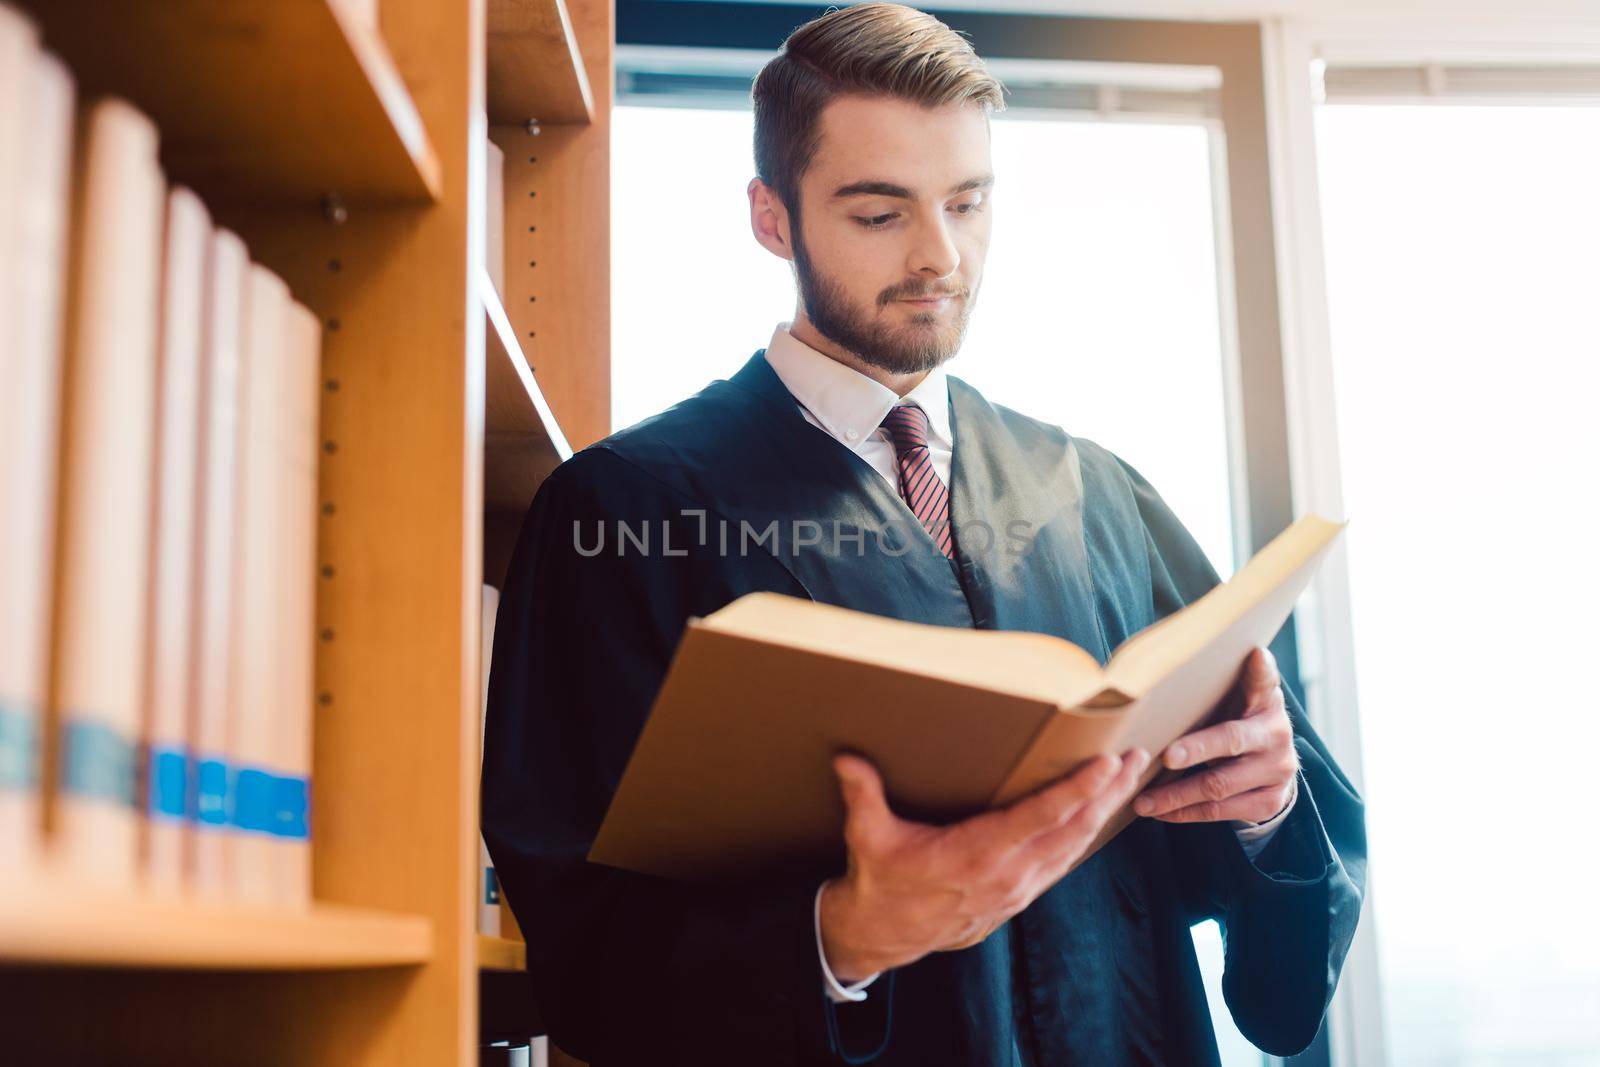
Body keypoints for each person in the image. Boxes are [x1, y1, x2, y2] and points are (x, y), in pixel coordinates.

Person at [481, 4, 1366, 1064]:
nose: (939, 255)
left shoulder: (1095, 493)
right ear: (772, 217)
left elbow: (1273, 945)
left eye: (967, 200)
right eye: (877, 213)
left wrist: (1266, 809)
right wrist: (840, 939)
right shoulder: (625, 512)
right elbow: (584, 954)